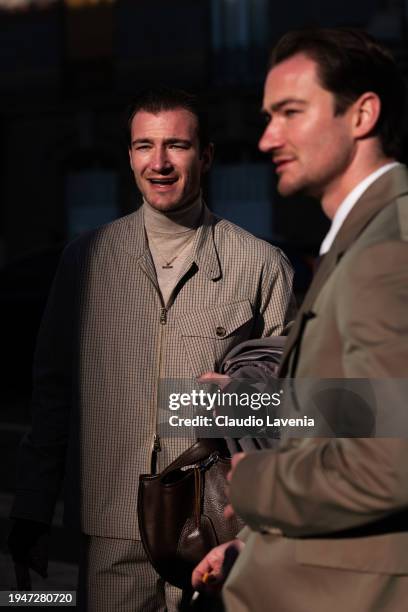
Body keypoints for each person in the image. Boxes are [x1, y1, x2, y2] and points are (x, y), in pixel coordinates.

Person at [7, 87, 294, 611]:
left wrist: (240, 400)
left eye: (176, 146)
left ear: (204, 156)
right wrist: (31, 507)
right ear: (130, 156)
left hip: (217, 529)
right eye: (144, 146)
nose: (158, 163)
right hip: (112, 534)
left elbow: (292, 404)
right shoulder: (85, 262)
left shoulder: (262, 265)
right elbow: (52, 394)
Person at [192, 28, 408, 611]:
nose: (267, 138)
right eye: (268, 116)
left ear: (361, 113)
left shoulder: (386, 250)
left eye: (290, 112)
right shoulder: (361, 242)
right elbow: (345, 418)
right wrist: (253, 546)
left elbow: (392, 461)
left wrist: (255, 484)